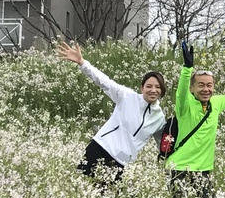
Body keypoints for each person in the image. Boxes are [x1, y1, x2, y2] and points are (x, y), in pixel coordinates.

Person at [58, 41, 166, 184]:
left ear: (162, 90)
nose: (153, 90)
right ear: (142, 88)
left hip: (121, 162)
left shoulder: (159, 118)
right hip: (100, 148)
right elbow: (104, 82)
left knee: (107, 196)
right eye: (149, 86)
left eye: (158, 87)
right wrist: (82, 63)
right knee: (81, 187)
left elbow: (162, 143)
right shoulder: (127, 96)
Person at [165, 42, 225, 198]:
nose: (206, 89)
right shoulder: (185, 106)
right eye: (200, 85)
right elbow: (180, 92)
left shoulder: (216, 103)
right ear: (192, 88)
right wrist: (187, 69)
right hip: (179, 167)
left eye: (209, 85)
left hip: (204, 168)